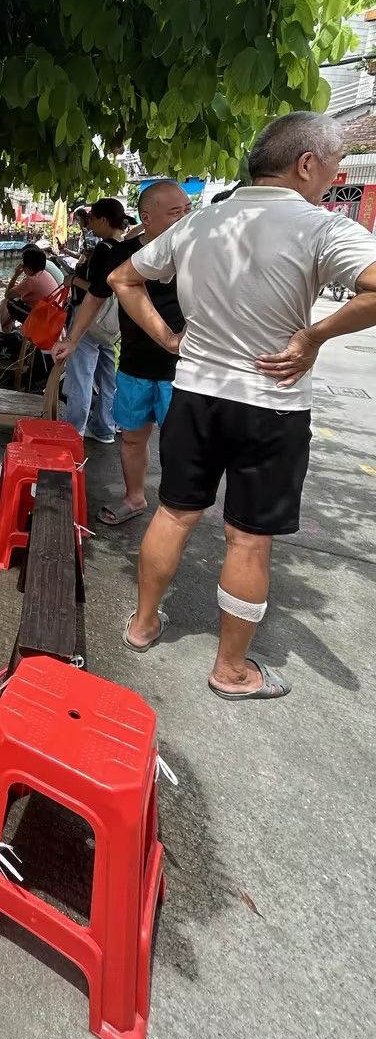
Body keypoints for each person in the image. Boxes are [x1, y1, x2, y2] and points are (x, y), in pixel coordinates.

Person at [109, 112, 376, 701]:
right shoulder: (319, 227)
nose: (332, 179)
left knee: (173, 512)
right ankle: (230, 670)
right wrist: (313, 336)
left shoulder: (199, 223)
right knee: (249, 540)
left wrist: (168, 339)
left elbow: (124, 279)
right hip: (271, 404)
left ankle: (142, 625)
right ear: (307, 164)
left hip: (196, 394)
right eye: (332, 166)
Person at [91, 181, 190, 526]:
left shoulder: (201, 250)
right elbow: (97, 294)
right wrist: (72, 339)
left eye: (187, 210)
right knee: (132, 438)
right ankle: (134, 498)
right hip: (134, 364)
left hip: (184, 369)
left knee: (181, 443)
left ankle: (177, 512)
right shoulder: (124, 254)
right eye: (176, 212)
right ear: (147, 218)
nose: (185, 218)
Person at [50, 198, 129, 442]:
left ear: (104, 220)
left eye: (93, 218)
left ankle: (74, 432)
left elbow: (96, 289)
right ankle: (105, 427)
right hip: (113, 324)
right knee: (108, 377)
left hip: (91, 322)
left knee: (81, 377)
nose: (91, 223)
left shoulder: (104, 250)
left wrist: (72, 280)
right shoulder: (127, 247)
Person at [0, 246, 59, 329]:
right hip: (53, 315)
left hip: (44, 319)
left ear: (28, 266)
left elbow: (7, 294)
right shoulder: (44, 273)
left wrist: (16, 275)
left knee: (10, 303)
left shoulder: (32, 280)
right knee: (19, 300)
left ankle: (5, 327)